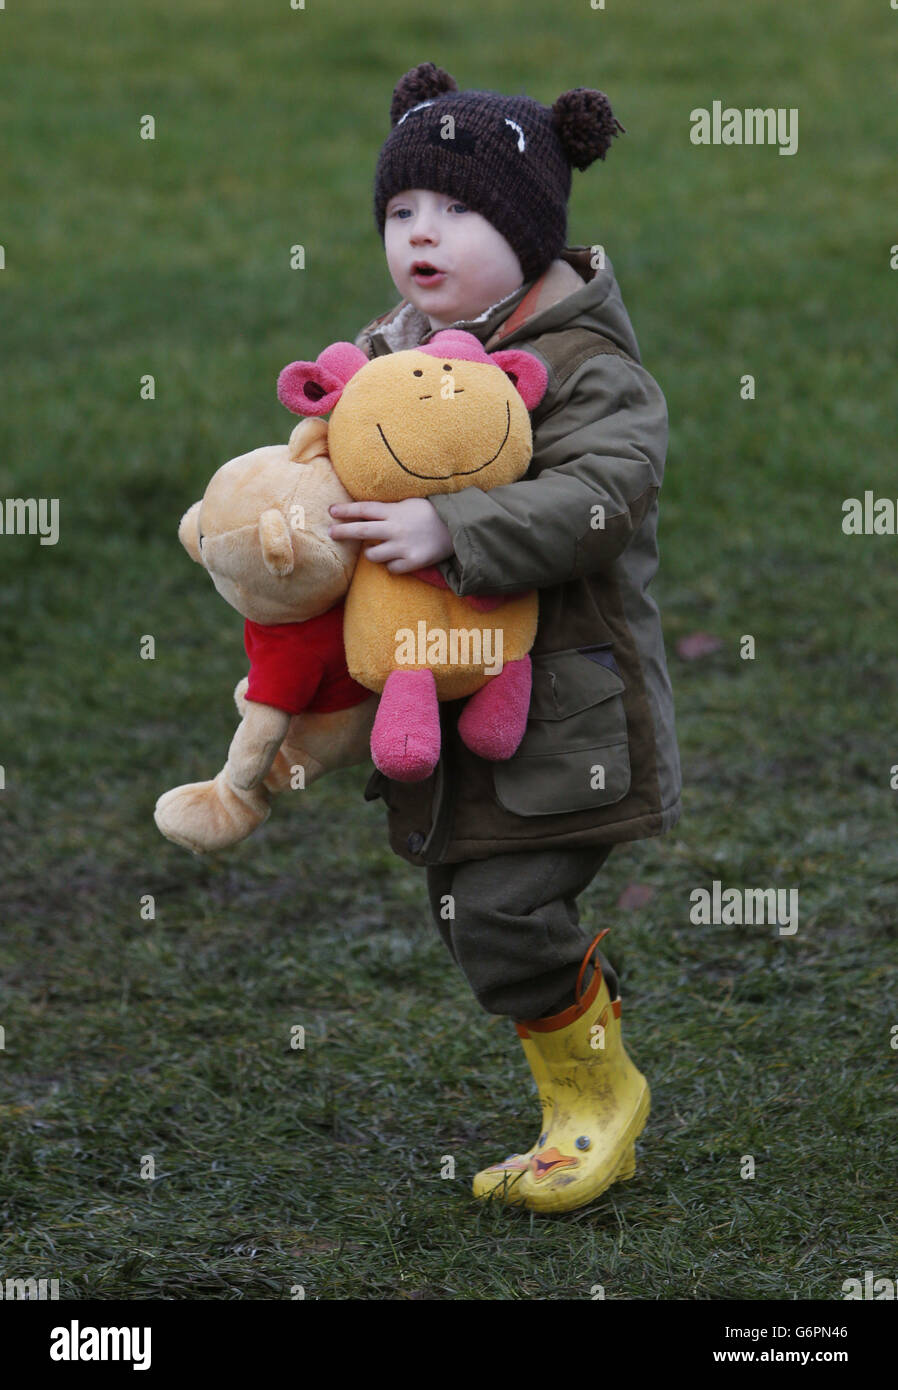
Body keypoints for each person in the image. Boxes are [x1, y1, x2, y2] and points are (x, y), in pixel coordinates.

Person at [327, 61, 682, 1214]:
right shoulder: (393, 351)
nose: (422, 233)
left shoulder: (590, 369)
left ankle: (596, 1101)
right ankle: (575, 1073)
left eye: (460, 209)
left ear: (530, 232)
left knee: (503, 908)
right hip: (441, 691)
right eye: (402, 210)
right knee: (466, 903)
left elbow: (607, 495)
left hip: (566, 707)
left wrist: (450, 523)